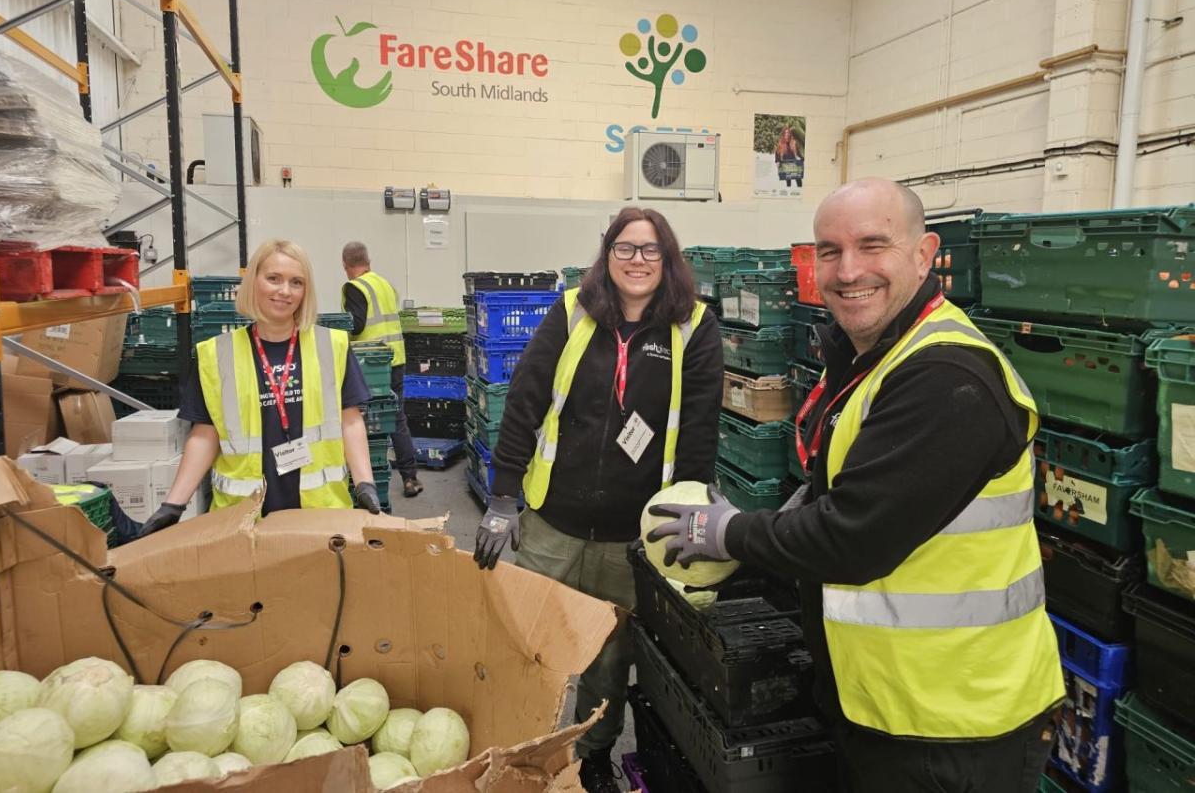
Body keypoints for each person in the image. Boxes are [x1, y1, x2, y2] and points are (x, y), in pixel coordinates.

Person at [648, 178, 1064, 793]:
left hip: (954, 723)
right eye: (830, 251)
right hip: (884, 701)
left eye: (873, 246)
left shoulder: (947, 378)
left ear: (925, 254)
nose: (848, 271)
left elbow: (854, 535)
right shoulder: (876, 356)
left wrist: (728, 532)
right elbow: (843, 488)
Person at [472, 207, 723, 793]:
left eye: (650, 250)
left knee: (609, 663)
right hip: (551, 527)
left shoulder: (694, 327)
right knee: (523, 645)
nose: (637, 261)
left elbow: (698, 433)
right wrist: (503, 497)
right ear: (606, 256)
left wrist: (683, 520)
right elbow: (525, 402)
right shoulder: (571, 314)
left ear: (669, 259)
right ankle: (507, 751)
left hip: (631, 535)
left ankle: (592, 758)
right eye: (625, 249)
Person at [138, 239, 381, 535]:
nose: (284, 291)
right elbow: (205, 434)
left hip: (320, 513)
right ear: (254, 281)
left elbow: (350, 421)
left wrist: (365, 482)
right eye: (273, 279)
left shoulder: (332, 346)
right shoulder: (216, 354)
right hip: (242, 518)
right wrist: (173, 504)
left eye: (296, 282)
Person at [341, 241, 423, 498]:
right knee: (397, 417)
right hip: (396, 358)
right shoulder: (384, 284)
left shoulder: (354, 287)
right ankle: (410, 477)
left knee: (361, 419)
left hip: (371, 364)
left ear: (345, 265)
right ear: (368, 261)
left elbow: (356, 325)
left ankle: (366, 477)